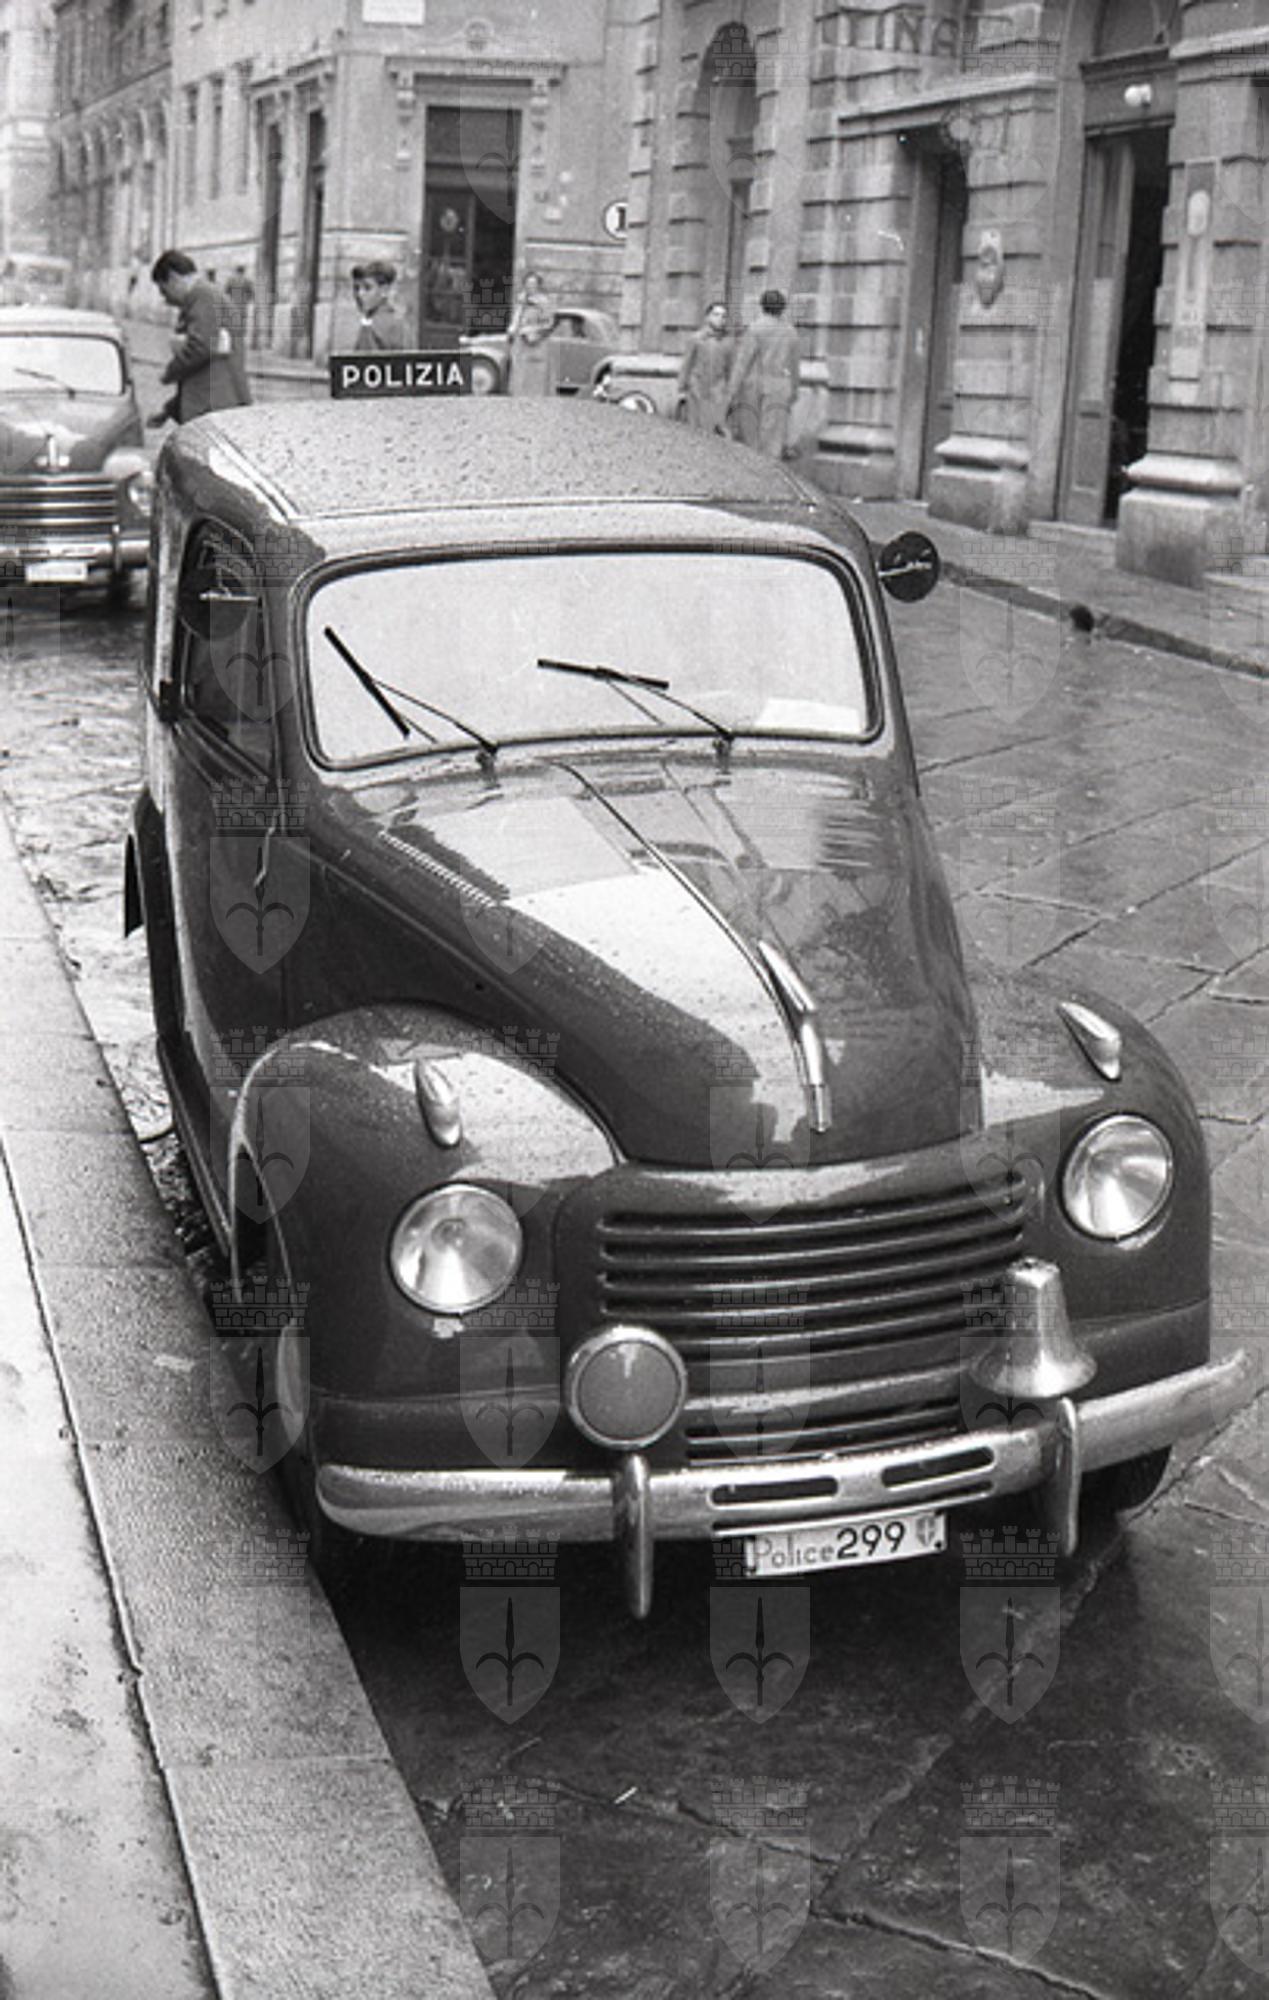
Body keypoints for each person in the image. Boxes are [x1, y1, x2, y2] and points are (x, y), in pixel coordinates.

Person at [149, 249, 251, 424]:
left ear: (174, 278)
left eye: (164, 290)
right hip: (213, 404)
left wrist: (170, 371)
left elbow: (200, 347)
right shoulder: (202, 297)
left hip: (215, 407)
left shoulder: (202, 296)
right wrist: (168, 411)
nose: (165, 299)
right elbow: (201, 369)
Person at [727, 288, 801, 459]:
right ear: (782, 308)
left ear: (762, 306)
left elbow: (742, 362)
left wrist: (732, 390)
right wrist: (795, 389)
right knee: (774, 437)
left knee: (751, 436)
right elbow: (794, 365)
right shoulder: (790, 332)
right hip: (780, 387)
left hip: (754, 386)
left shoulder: (755, 329)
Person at [676, 300, 732, 434]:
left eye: (723, 316)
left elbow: (730, 368)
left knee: (715, 429)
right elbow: (687, 364)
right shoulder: (696, 339)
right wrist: (681, 389)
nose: (720, 319)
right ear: (708, 317)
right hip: (697, 389)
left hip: (717, 390)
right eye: (716, 315)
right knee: (695, 429)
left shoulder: (727, 342)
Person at [506, 269, 555, 397]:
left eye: (533, 284)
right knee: (519, 370)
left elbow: (549, 323)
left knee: (536, 372)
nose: (530, 287)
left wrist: (533, 331)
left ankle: (536, 398)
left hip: (536, 343)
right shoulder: (521, 300)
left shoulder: (544, 302)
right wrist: (512, 328)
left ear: (538, 286)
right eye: (528, 284)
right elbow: (517, 317)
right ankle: (518, 396)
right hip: (520, 342)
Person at [351, 260, 406, 352]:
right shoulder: (393, 319)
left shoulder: (376, 324)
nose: (360, 294)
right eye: (357, 288)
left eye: (367, 288)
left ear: (384, 290)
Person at [224, 264, 256, 349]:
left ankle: (233, 343)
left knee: (233, 325)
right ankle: (240, 343)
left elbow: (225, 293)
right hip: (242, 307)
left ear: (236, 270)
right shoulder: (247, 281)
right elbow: (252, 294)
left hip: (232, 306)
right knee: (242, 326)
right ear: (243, 271)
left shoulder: (230, 280)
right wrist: (246, 300)